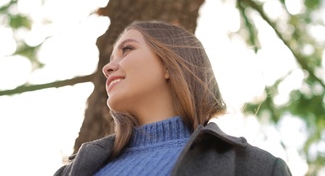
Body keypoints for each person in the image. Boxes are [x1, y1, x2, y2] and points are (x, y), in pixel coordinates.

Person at [54, 20, 292, 176]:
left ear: (170, 64)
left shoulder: (255, 168)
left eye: (127, 49)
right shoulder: (70, 171)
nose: (108, 67)